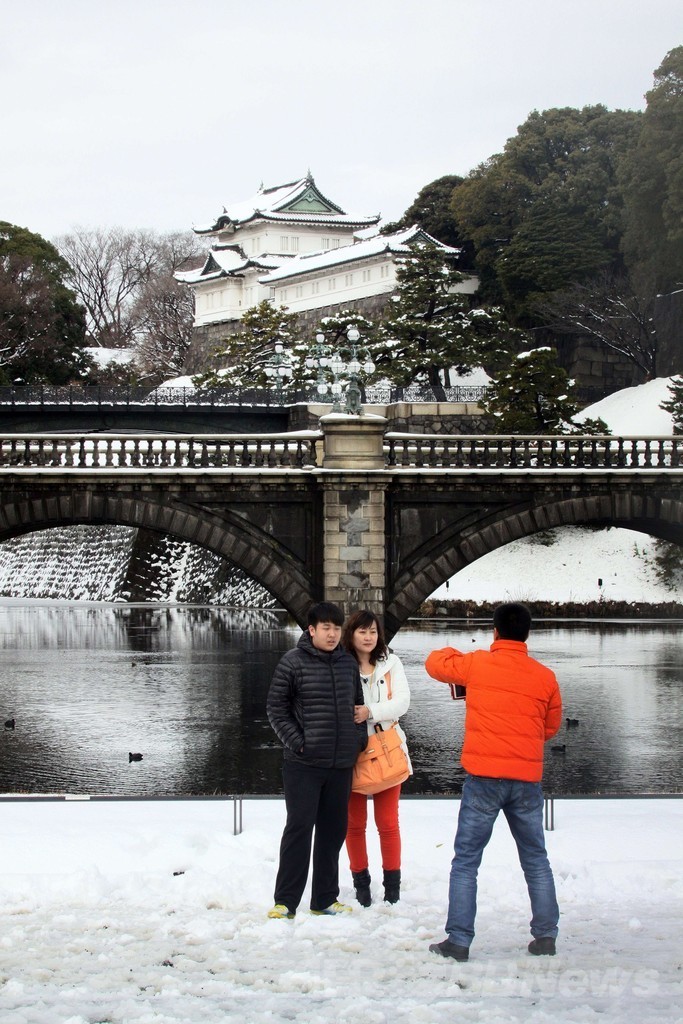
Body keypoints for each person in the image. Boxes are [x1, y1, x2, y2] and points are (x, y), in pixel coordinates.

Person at [424, 602, 562, 961]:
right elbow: (549, 728)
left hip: (483, 780)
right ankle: (545, 937)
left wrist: (461, 652)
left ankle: (458, 940)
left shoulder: (477, 664)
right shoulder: (545, 676)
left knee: (466, 860)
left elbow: (434, 662)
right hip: (527, 782)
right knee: (536, 859)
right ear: (527, 634)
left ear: (495, 632)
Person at [266, 601, 368, 919]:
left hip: (340, 764)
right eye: (326, 628)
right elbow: (275, 709)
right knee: (299, 829)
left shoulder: (348, 665)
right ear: (311, 630)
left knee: (333, 831)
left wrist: (358, 742)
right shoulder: (292, 663)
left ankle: (324, 898)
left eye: (337, 628)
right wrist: (298, 744)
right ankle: (285, 901)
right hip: (304, 765)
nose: (332, 634)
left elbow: (357, 706)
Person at [342, 609, 411, 906]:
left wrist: (371, 712)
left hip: (386, 749)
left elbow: (403, 702)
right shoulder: (341, 665)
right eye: (362, 631)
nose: (369, 637)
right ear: (351, 634)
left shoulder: (391, 663)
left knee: (388, 822)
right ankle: (361, 884)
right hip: (353, 751)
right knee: (354, 824)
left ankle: (392, 886)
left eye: (373, 631)